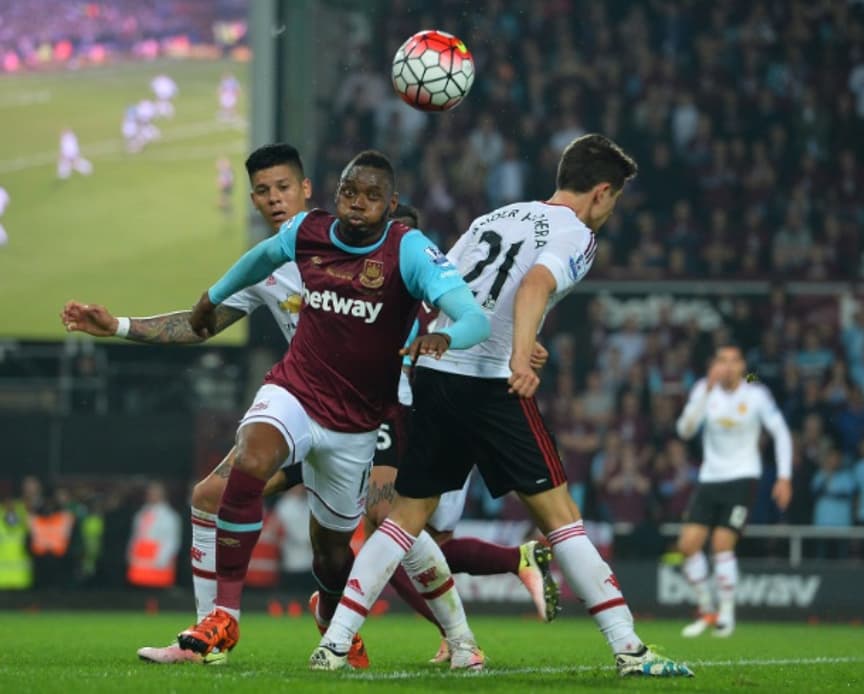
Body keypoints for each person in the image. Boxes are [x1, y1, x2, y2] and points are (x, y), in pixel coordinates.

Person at [311, 134, 693, 678]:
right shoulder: (578, 234)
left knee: (403, 522)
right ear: (602, 192)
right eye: (615, 200)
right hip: (489, 384)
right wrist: (519, 355)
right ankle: (630, 649)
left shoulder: (497, 216)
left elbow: (449, 290)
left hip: (436, 374)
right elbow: (535, 283)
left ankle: (335, 642)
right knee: (562, 522)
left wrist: (515, 333)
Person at [176, 149, 491, 668]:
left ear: (390, 205)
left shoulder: (409, 251)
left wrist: (445, 338)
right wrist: (213, 295)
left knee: (331, 552)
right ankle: (224, 617)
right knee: (250, 458)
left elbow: (472, 318)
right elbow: (261, 258)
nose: (357, 205)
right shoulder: (308, 231)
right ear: (336, 193)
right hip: (296, 391)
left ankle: (346, 625)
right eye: (349, 192)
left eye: (371, 197)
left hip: (357, 424)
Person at [62, 143, 313, 664]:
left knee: (388, 527)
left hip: (373, 410)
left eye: (283, 187)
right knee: (208, 496)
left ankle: (457, 637)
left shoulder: (346, 244)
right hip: (306, 406)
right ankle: (207, 639)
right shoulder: (262, 268)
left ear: (306, 189)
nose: (274, 199)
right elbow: (198, 325)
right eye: (263, 191)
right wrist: (119, 327)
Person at [353, 203, 558, 664]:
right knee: (428, 545)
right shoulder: (421, 283)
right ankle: (514, 564)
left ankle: (457, 634)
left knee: (392, 532)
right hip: (426, 412)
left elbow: (482, 321)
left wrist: (523, 348)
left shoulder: (432, 284)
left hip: (420, 414)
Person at [675, 344, 792, 638]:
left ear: (742, 366)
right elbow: (685, 431)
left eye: (733, 361)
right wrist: (705, 392)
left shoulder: (755, 392)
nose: (727, 366)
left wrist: (784, 477)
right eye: (721, 361)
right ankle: (707, 610)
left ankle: (727, 612)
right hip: (710, 477)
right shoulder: (704, 388)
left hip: (743, 477)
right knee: (688, 545)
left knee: (721, 543)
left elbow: (780, 432)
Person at [126, 482, 181, 589]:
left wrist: (162, 559)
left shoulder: (169, 516)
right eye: (150, 493)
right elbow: (136, 536)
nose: (152, 495)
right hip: (140, 558)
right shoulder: (141, 513)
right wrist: (131, 554)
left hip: (158, 558)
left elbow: (171, 541)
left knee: (156, 590)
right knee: (139, 588)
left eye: (155, 493)